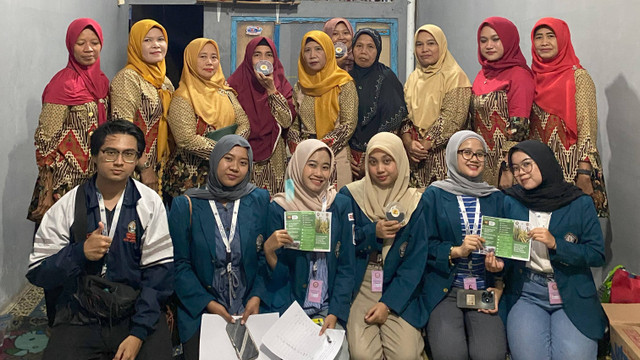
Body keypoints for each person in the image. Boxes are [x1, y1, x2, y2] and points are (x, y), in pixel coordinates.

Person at [26, 119, 174, 360]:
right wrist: (79, 253)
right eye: (110, 152)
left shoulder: (149, 203)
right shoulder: (67, 206)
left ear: (137, 160)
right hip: (81, 314)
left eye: (128, 154)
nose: (119, 162)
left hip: (134, 310)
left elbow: (159, 273)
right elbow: (38, 272)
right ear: (94, 156)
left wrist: (138, 333)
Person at [486, 140, 606, 360]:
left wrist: (557, 244)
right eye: (515, 168)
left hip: (570, 291)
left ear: (544, 162)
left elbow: (597, 254)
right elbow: (506, 252)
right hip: (527, 292)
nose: (521, 173)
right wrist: (497, 265)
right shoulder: (510, 201)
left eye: (527, 165)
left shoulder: (579, 203)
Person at [169, 135, 270, 360]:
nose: (234, 167)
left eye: (243, 163)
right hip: (202, 309)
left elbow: (265, 256)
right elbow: (179, 265)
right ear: (215, 160)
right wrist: (209, 304)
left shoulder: (259, 200)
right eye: (228, 159)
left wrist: (256, 296)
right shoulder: (186, 204)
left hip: (250, 307)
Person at [264, 139, 355, 360]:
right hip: (289, 308)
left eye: (326, 167)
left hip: (326, 307)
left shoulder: (339, 204)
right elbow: (277, 279)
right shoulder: (281, 207)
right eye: (312, 164)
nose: (319, 173)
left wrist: (335, 312)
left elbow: (346, 266)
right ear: (298, 165)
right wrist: (269, 251)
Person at [340, 132, 427, 360]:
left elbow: (415, 263)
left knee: (406, 356)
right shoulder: (350, 195)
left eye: (387, 161)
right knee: (362, 355)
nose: (380, 169)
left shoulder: (415, 202)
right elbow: (341, 245)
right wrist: (372, 233)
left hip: (399, 285)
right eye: (373, 161)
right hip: (362, 281)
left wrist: (388, 305)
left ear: (400, 160)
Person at [423, 130, 507, 360]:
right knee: (450, 354)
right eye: (466, 152)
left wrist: (498, 276)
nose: (474, 158)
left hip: (484, 289)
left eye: (480, 154)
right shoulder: (435, 195)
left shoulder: (496, 198)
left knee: (491, 355)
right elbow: (422, 246)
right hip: (446, 290)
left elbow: (507, 251)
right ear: (452, 155)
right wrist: (455, 251)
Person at [28, 18, 109, 223]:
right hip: (64, 183)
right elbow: (45, 139)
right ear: (70, 45)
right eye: (80, 43)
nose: (89, 49)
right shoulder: (63, 83)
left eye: (94, 42)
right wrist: (47, 191)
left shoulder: (102, 82)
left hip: (97, 178)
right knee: (63, 246)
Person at [529, 18, 608, 217]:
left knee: (572, 236)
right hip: (541, 173)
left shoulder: (578, 77)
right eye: (539, 37)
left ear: (563, 39)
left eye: (551, 36)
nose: (544, 42)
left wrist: (584, 173)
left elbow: (587, 130)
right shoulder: (531, 78)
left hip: (573, 172)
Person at [164, 38, 250, 198]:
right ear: (190, 60)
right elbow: (186, 139)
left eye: (214, 57)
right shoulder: (182, 97)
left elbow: (243, 122)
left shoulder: (227, 93)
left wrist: (231, 151)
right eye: (202, 57)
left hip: (227, 177)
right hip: (192, 180)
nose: (209, 62)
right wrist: (225, 153)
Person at [402, 24, 472, 189]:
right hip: (414, 157)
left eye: (431, 43)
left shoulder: (455, 76)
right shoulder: (413, 78)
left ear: (441, 45)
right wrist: (408, 142)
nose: (424, 49)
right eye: (419, 44)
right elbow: (404, 114)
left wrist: (425, 144)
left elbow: (452, 118)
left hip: (444, 155)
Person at [288, 31, 358, 190]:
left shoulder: (344, 83)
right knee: (305, 208)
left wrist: (319, 150)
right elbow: (295, 124)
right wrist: (298, 148)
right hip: (305, 158)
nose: (312, 55)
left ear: (328, 51)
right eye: (307, 50)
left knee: (334, 208)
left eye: (318, 49)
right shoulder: (300, 87)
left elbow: (348, 125)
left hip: (335, 156)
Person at [111, 19, 174, 194]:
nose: (156, 45)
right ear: (136, 45)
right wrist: (145, 168)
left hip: (161, 169)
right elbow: (123, 128)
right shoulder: (128, 78)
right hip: (136, 172)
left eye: (160, 39)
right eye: (147, 40)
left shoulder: (165, 82)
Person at [470, 17, 534, 189]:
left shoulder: (519, 75)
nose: (489, 45)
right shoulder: (482, 75)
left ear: (509, 40)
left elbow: (519, 127)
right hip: (481, 162)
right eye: (483, 41)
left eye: (496, 39)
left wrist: (507, 168)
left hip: (505, 165)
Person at [228, 36, 295, 194]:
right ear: (248, 58)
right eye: (257, 55)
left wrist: (271, 90)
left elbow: (286, 121)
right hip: (242, 156)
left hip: (275, 159)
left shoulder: (282, 86)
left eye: (268, 55)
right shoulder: (233, 85)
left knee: (273, 206)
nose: (263, 60)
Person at [348, 29, 406, 180]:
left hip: (380, 160)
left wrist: (370, 159)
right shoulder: (345, 78)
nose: (363, 52)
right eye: (359, 46)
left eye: (370, 47)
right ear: (352, 49)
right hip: (348, 160)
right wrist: (345, 156)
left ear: (378, 50)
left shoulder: (387, 79)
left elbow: (393, 123)